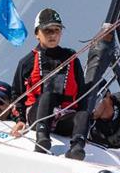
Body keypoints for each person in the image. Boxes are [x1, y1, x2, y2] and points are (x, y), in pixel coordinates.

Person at [10, 8, 88, 160]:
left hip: (62, 118)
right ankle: (42, 140)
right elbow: (16, 94)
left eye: (56, 30)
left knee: (83, 113)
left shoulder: (71, 58)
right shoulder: (27, 62)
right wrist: (20, 120)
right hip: (37, 116)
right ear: (37, 34)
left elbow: (81, 95)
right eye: (47, 31)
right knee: (48, 95)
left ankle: (77, 147)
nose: (53, 35)